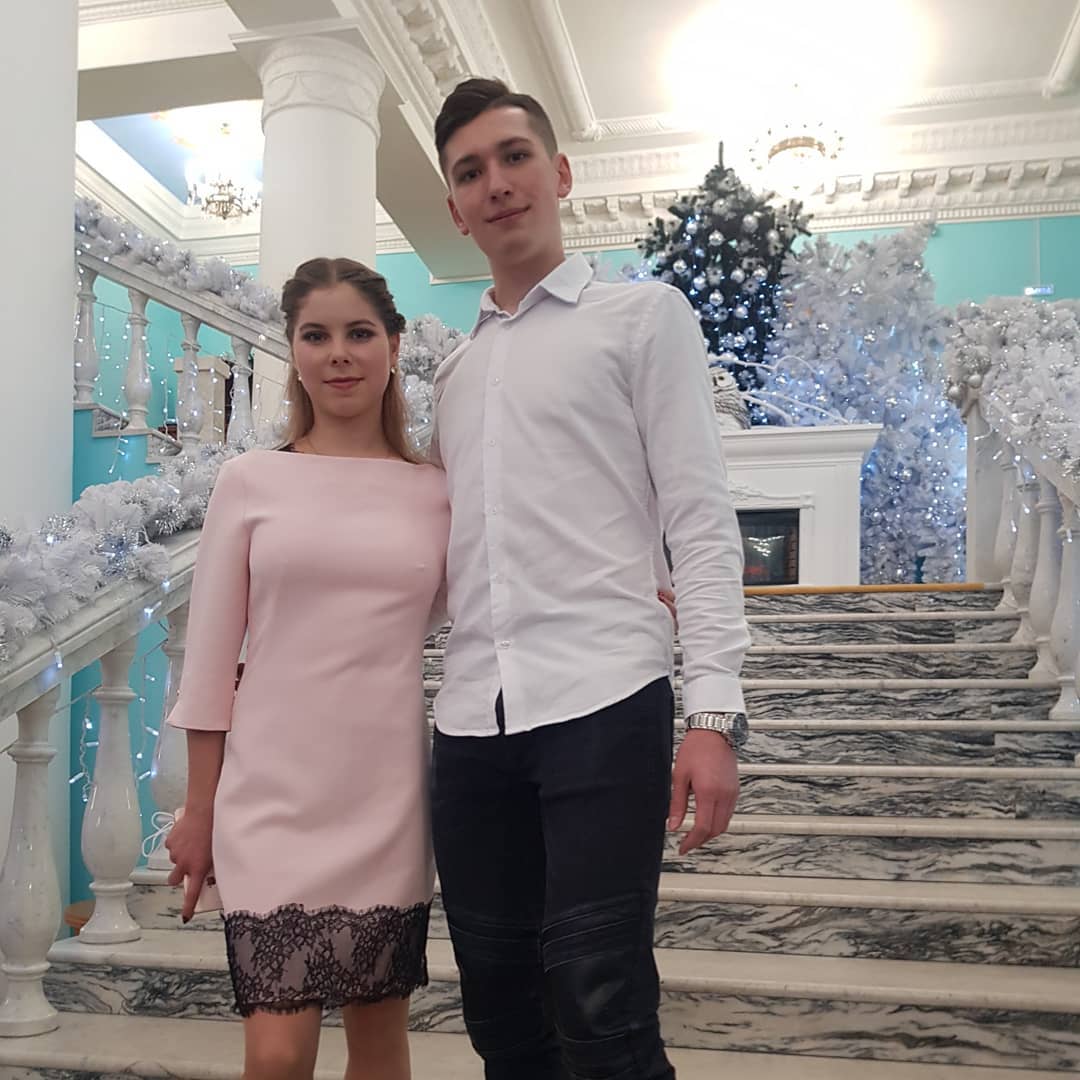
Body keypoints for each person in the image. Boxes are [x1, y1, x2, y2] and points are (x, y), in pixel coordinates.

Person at [428, 78, 752, 1079]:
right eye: (470, 172)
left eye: (514, 156)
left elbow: (699, 519)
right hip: (470, 722)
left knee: (600, 1003)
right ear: (455, 208)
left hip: (605, 698)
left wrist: (713, 715)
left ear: (560, 172)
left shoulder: (642, 319)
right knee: (498, 1009)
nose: (496, 183)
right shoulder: (453, 375)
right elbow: (441, 560)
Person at [164, 258, 449, 1080]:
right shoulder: (249, 480)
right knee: (278, 1055)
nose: (339, 354)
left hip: (386, 798)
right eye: (315, 336)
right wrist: (199, 809)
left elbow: (496, 598)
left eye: (359, 333)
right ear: (293, 352)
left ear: (393, 345)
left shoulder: (437, 493)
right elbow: (209, 666)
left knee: (380, 1045)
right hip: (270, 800)